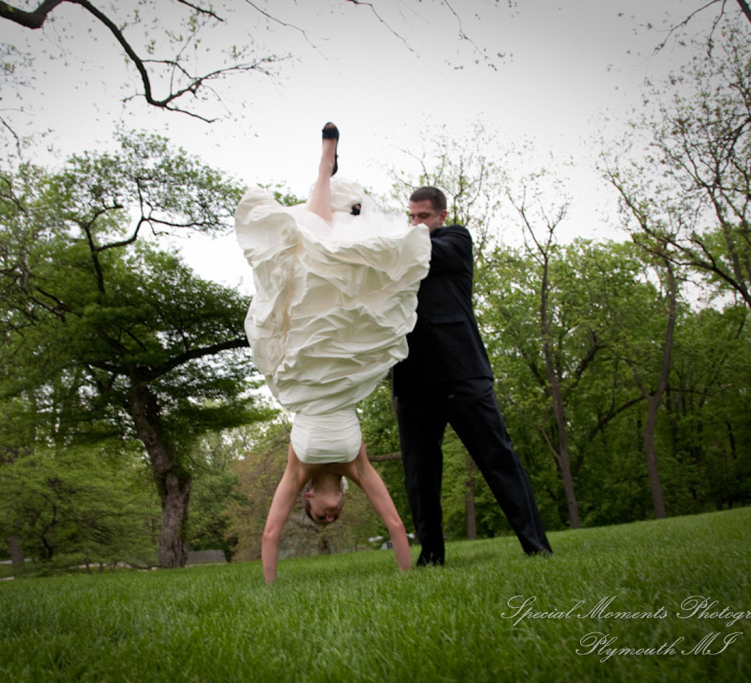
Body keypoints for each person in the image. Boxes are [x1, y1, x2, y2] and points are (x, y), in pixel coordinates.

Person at [235, 123, 431, 583]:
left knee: (307, 271)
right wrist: (408, 579)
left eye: (323, 517)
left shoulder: (297, 467)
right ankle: (330, 182)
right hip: (343, 363)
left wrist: (269, 588)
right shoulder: (355, 462)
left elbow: (269, 535)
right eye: (335, 517)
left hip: (305, 365)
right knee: (339, 276)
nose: (330, 517)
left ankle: (325, 172)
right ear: (343, 498)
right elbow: (396, 524)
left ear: (308, 500)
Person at [391, 186, 553, 566]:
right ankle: (431, 556)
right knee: (419, 475)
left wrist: (400, 241)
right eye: (411, 217)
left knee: (499, 459)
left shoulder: (456, 239)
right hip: (412, 378)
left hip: (461, 373)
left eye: (424, 217)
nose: (416, 224)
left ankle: (537, 547)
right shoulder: (397, 253)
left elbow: (425, 253)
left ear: (442, 216)